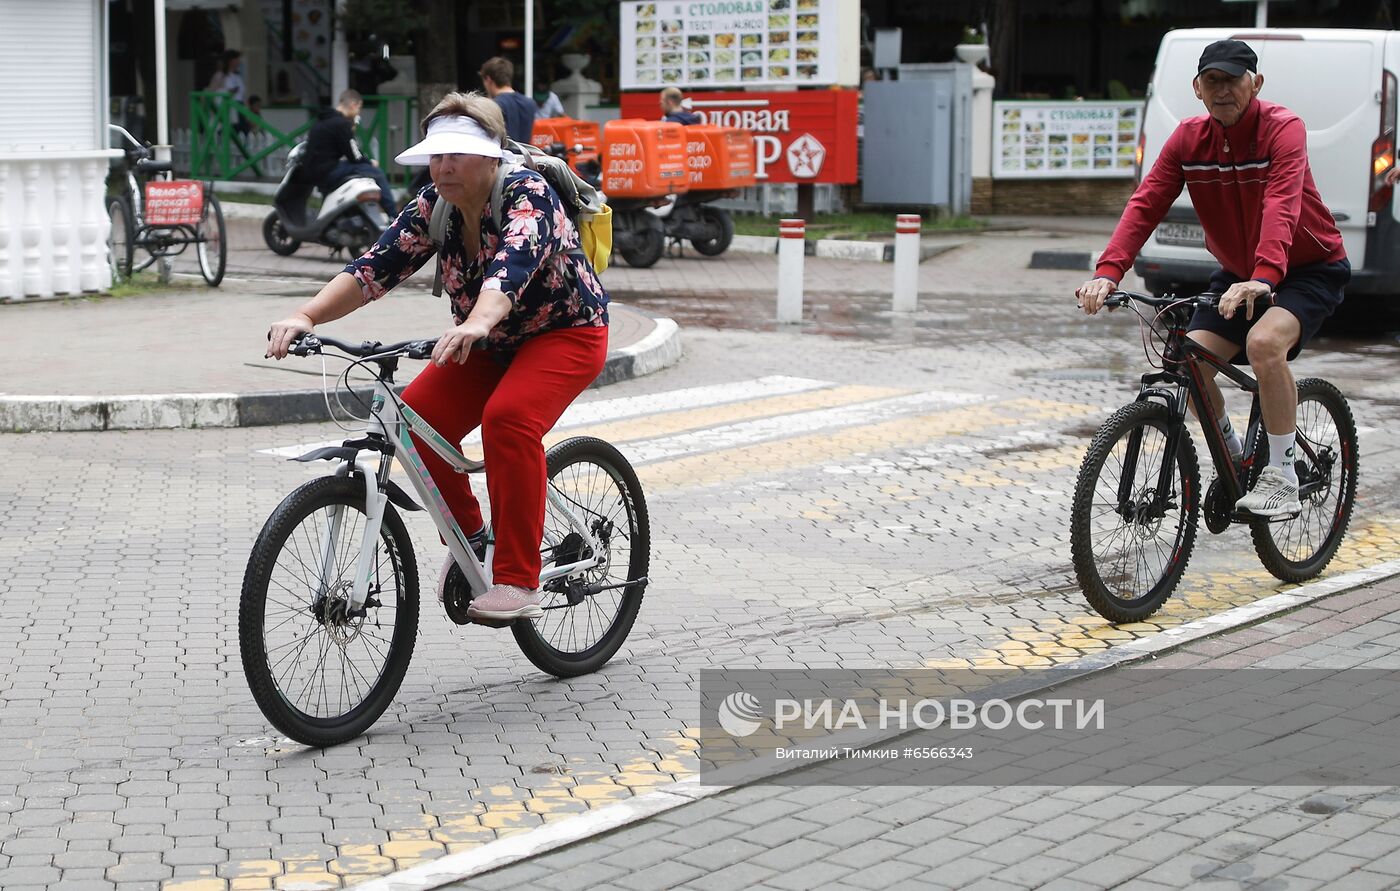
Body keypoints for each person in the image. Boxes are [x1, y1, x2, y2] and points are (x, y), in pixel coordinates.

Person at [265, 91, 610, 622]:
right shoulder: (435, 206)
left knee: (509, 419)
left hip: (564, 333)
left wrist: (476, 320)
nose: (443, 165)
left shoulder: (528, 194)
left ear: (491, 156)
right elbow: (372, 271)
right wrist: (305, 316)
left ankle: (519, 579)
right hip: (486, 341)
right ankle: (472, 537)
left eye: (457, 154)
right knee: (413, 420)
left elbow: (511, 267)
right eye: (437, 154)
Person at [1076, 39, 1349, 519]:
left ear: (1256, 84)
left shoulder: (1282, 129)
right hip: (1239, 273)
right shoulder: (1188, 139)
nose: (1223, 90)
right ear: (1198, 89)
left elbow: (1281, 205)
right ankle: (1239, 454)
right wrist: (1108, 271)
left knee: (1265, 345)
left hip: (1308, 267)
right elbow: (1146, 204)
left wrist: (1264, 277)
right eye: (1213, 81)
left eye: (1234, 79)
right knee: (1190, 366)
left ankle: (1282, 476)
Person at [302, 89, 398, 215]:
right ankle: (394, 216)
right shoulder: (341, 124)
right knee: (376, 172)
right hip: (328, 171)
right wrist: (370, 162)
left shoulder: (322, 120)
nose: (358, 112)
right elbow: (354, 156)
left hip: (316, 172)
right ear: (354, 105)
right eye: (359, 108)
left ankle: (327, 216)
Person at [480, 57, 536, 143]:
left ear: (488, 79)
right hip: (524, 155)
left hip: (504, 155)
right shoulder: (530, 103)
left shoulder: (494, 105)